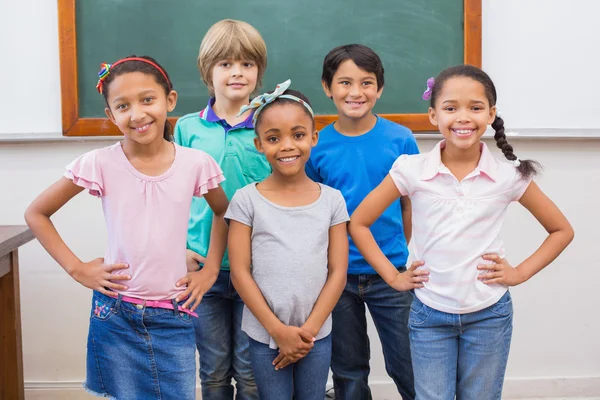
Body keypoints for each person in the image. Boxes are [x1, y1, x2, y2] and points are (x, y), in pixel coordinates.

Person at [349, 64, 574, 399]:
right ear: (433, 115)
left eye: (475, 107)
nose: (463, 117)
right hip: (429, 315)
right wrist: (393, 277)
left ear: (491, 114)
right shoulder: (412, 170)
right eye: (451, 108)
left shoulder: (508, 176)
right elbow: (359, 222)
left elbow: (561, 230)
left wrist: (519, 272)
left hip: (489, 315)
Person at [24, 56, 229, 400]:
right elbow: (36, 213)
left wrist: (210, 269)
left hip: (174, 311)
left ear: (170, 101)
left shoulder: (196, 163)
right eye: (123, 105)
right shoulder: (98, 163)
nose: (137, 114)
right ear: (110, 115)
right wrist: (76, 268)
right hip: (115, 312)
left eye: (148, 100)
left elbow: (225, 214)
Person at [306, 44, 418, 399]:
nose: (356, 93)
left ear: (380, 88)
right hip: (338, 276)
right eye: (345, 83)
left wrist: (396, 257)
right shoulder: (316, 145)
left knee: (408, 361)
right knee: (348, 370)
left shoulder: (401, 139)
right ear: (327, 87)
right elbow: (314, 210)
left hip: (391, 273)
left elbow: (408, 207)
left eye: (366, 83)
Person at [227, 80, 349, 400]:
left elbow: (337, 271)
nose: (286, 146)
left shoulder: (333, 201)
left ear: (313, 138)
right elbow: (240, 272)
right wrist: (278, 331)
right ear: (258, 144)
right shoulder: (246, 200)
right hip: (265, 333)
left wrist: (307, 333)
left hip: (316, 333)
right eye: (273, 138)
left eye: (297, 135)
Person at [173, 19, 270, 399]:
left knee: (250, 372)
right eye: (226, 64)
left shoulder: (270, 125)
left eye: (247, 64)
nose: (237, 72)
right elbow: (175, 197)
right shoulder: (186, 129)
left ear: (259, 71)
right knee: (213, 371)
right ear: (207, 71)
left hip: (259, 264)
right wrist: (179, 249)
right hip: (201, 269)